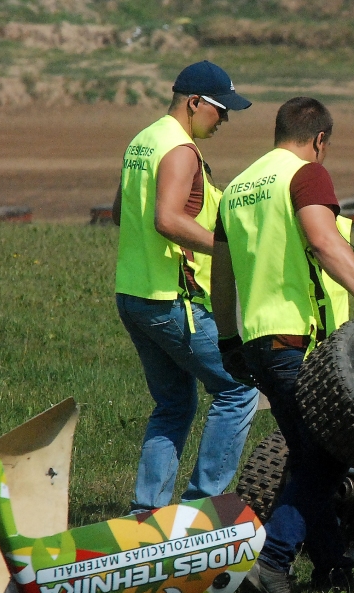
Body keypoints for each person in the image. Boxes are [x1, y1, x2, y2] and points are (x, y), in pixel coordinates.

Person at [210, 96, 354, 593]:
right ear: (319, 140)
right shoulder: (306, 175)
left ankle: (333, 569)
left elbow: (222, 276)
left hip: (256, 342)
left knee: (308, 456)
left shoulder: (238, 189)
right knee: (326, 457)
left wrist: (229, 340)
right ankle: (271, 563)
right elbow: (322, 239)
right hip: (301, 341)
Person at [113, 61, 259, 513]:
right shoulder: (180, 149)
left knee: (174, 404)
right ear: (194, 103)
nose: (226, 119)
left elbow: (123, 212)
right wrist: (227, 252)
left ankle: (147, 514)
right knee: (239, 390)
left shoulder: (143, 141)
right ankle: (201, 509)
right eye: (221, 110)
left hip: (133, 295)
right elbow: (167, 219)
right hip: (172, 300)